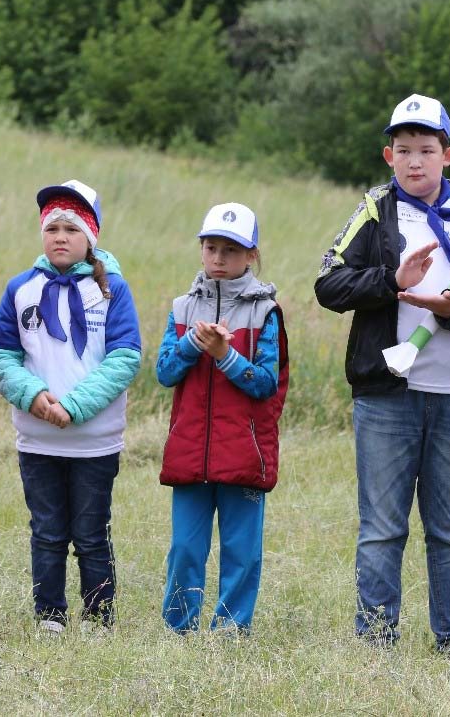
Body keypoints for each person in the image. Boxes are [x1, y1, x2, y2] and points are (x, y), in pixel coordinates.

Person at [315, 94, 450, 655]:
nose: (415, 161)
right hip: (387, 396)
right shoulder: (374, 211)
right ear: (388, 155)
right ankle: (375, 640)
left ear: (447, 154)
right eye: (404, 151)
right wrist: (389, 279)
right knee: (382, 528)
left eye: (427, 149)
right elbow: (329, 285)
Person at [0, 180, 142, 633]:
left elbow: (124, 357)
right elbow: (0, 355)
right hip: (37, 439)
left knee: (92, 534)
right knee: (47, 532)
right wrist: (33, 397)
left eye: (71, 229)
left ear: (90, 238)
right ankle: (49, 617)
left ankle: (98, 618)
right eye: (51, 227)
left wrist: (73, 406)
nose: (59, 236)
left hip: (94, 441)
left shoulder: (113, 290)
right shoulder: (21, 289)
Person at [156, 202, 289, 633]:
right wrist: (192, 345)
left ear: (251, 255)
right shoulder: (181, 308)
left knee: (242, 550)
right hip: (190, 450)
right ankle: (179, 628)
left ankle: (230, 631)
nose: (218, 259)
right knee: (185, 548)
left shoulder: (266, 312)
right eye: (211, 248)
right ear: (200, 249)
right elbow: (164, 373)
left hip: (244, 453)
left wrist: (224, 355)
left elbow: (266, 382)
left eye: (231, 251)